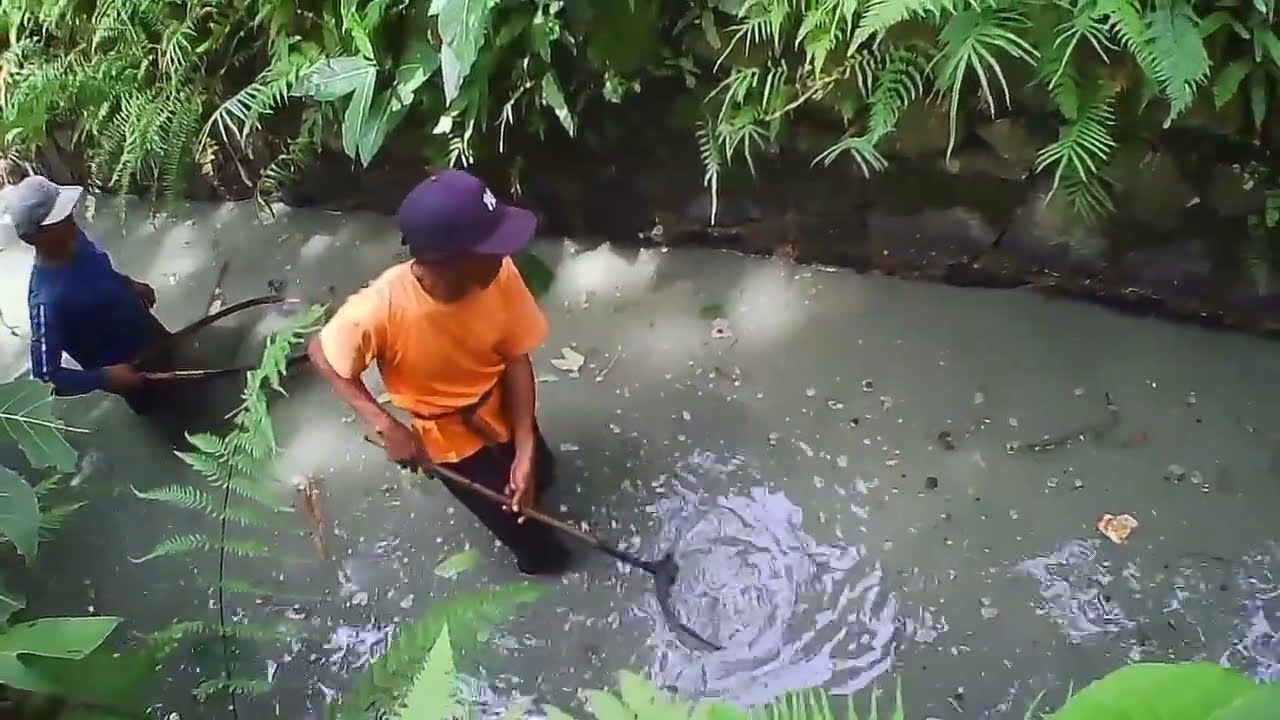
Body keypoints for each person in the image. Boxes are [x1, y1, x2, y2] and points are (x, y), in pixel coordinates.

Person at [308, 169, 571, 576]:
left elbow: (516, 359)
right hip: (452, 445)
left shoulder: (499, 274)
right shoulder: (380, 310)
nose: (505, 255)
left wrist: (524, 448)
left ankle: (531, 470)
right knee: (537, 545)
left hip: (502, 403)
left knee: (543, 474)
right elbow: (321, 353)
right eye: (491, 246)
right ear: (450, 260)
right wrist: (385, 425)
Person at [2, 175, 171, 414]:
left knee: (192, 368)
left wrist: (130, 284)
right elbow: (44, 378)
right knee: (169, 413)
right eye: (60, 218)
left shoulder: (74, 237)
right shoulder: (46, 301)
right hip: (129, 368)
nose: (71, 217)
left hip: (146, 330)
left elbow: (101, 271)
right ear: (36, 235)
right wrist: (103, 378)